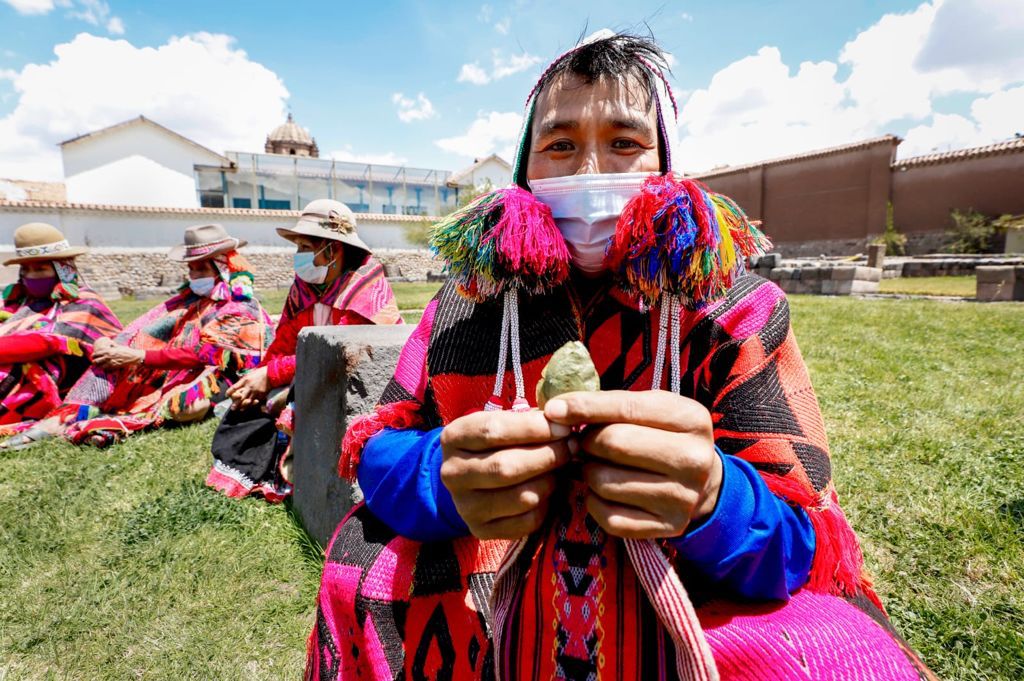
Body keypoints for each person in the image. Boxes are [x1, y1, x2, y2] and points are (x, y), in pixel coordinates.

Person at [307, 32, 934, 680]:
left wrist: (716, 499)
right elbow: (377, 450)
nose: (591, 172)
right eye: (561, 145)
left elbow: (800, 536)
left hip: (685, 601)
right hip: (486, 587)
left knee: (835, 658)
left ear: (667, 169)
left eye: (625, 143)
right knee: (358, 565)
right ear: (525, 171)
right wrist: (440, 479)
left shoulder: (734, 309)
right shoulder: (467, 304)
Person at [206, 199, 402, 503]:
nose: (298, 256)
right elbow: (285, 340)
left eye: (304, 247)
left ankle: (283, 467)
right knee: (255, 402)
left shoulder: (366, 288)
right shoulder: (304, 287)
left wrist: (271, 375)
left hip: (349, 381)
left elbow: (342, 355)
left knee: (287, 399)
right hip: (305, 371)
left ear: (331, 250)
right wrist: (262, 377)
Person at [27, 223, 272, 447]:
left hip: (221, 371)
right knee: (115, 367)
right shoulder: (187, 301)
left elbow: (204, 355)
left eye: (201, 269)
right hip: (175, 369)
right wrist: (113, 345)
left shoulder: (241, 307)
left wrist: (138, 356)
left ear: (223, 267)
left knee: (186, 407)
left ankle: (119, 419)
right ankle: (72, 412)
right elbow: (141, 330)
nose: (194, 275)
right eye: (191, 269)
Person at [0, 223, 122, 448]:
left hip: (66, 377)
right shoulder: (19, 302)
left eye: (40, 269)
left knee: (16, 370)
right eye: (26, 270)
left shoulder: (84, 302)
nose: (31, 275)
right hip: (15, 362)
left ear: (62, 268)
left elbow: (49, 342)